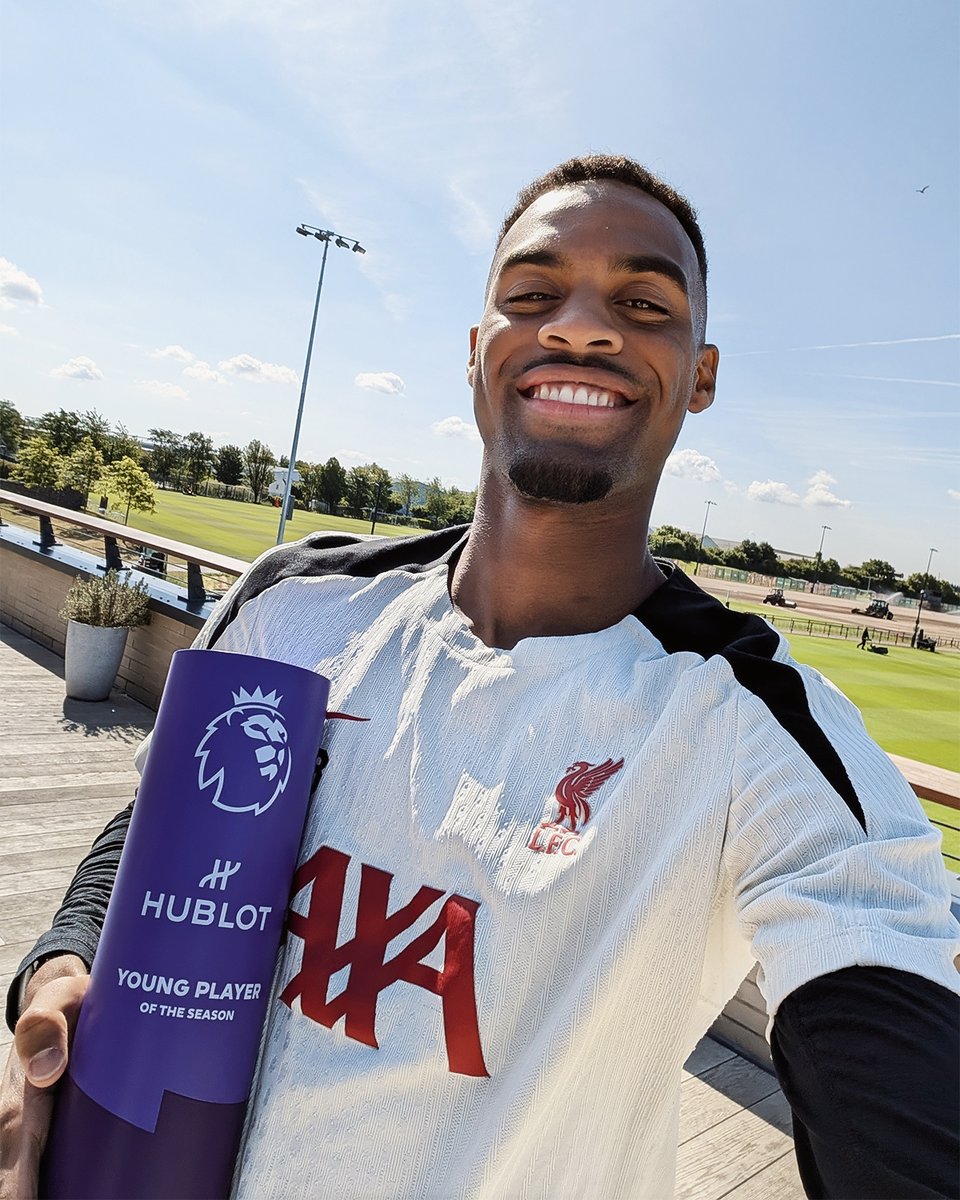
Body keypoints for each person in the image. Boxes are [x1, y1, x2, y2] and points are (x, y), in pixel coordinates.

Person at [2, 156, 958, 1199]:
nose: (582, 327)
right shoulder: (293, 600)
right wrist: (61, 966)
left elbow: (888, 1009)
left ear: (703, 375)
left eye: (643, 302)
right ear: (476, 351)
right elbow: (150, 831)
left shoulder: (758, 731)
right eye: (533, 294)